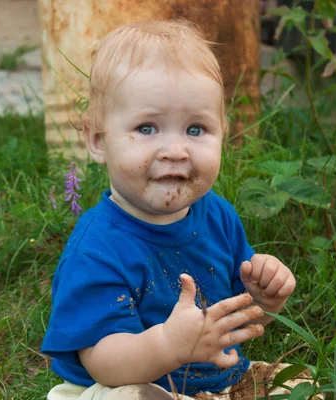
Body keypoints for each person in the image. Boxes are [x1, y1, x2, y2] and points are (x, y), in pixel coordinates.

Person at [41, 19, 297, 400]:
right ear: (97, 139)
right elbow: (101, 359)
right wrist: (169, 346)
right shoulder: (97, 248)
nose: (176, 151)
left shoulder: (219, 217)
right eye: (147, 128)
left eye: (196, 130)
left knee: (298, 384)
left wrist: (263, 298)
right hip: (123, 385)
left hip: (217, 382)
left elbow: (231, 316)